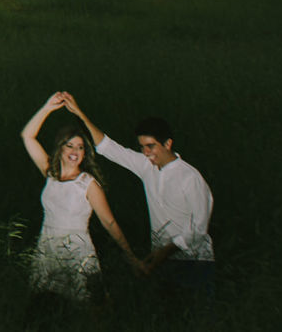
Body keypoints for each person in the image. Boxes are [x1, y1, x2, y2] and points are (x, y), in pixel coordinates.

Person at [61, 93, 215, 314]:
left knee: (198, 318)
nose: (146, 152)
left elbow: (199, 228)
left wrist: (165, 251)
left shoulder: (190, 177)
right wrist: (79, 113)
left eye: (151, 146)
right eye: (142, 146)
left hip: (195, 263)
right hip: (161, 262)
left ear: (168, 143)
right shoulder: (146, 166)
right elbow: (109, 147)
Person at [20, 93, 139, 312]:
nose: (75, 152)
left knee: (92, 308)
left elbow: (109, 222)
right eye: (70, 146)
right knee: (44, 307)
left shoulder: (88, 183)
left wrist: (131, 257)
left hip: (78, 249)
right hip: (47, 246)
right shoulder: (50, 173)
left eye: (80, 147)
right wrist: (48, 107)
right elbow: (27, 136)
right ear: (61, 148)